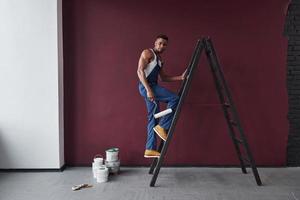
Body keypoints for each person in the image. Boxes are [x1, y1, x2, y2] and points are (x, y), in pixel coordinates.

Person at [137, 34, 187, 158]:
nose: (162, 46)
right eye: (160, 43)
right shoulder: (147, 53)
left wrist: (180, 77)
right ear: (155, 43)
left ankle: (149, 149)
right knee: (175, 98)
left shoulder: (159, 61)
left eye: (164, 44)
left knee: (153, 118)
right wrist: (149, 90)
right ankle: (163, 126)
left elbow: (164, 78)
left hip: (152, 86)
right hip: (147, 86)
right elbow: (139, 71)